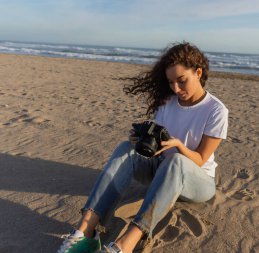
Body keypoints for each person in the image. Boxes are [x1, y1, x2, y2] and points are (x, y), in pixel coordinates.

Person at [57, 42, 228, 253]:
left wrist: (177, 145)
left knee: (176, 160)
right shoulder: (167, 102)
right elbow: (157, 146)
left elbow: (201, 159)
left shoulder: (216, 111)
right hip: (163, 172)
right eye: (171, 82)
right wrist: (141, 141)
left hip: (198, 182)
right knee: (125, 148)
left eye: (182, 81)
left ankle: (126, 244)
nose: (176, 89)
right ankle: (86, 231)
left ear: (198, 72)